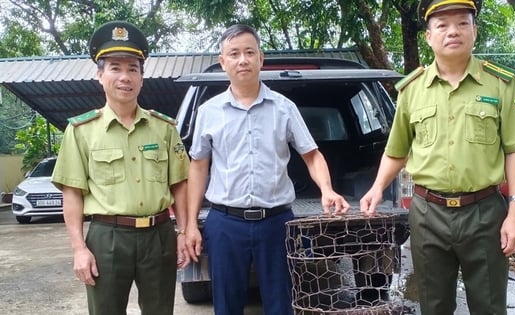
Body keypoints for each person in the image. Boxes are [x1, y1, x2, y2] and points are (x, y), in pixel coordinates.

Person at [359, 1, 515, 314]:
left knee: (489, 306)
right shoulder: (412, 89)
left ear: (475, 31)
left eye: (462, 23)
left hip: (484, 214)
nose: (452, 31)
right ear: (429, 36)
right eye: (442, 25)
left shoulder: (501, 84)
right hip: (428, 214)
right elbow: (397, 150)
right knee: (434, 306)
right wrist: (376, 187)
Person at [184, 24, 350, 315]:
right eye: (234, 54)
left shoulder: (284, 108)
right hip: (225, 223)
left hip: (276, 223)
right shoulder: (208, 112)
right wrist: (189, 225)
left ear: (261, 58)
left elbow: (311, 155)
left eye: (249, 52)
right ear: (223, 62)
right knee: (226, 306)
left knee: (281, 305)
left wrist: (327, 189)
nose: (242, 60)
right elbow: (198, 167)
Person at [51, 20, 190, 315]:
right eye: (115, 67)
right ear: (100, 75)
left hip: (159, 234)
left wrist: (184, 232)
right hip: (106, 237)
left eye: (132, 69)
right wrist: (79, 248)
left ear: (142, 77)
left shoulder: (163, 128)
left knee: (160, 310)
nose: (124, 77)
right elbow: (72, 193)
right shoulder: (81, 131)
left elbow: (180, 184)